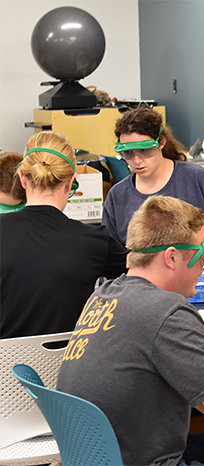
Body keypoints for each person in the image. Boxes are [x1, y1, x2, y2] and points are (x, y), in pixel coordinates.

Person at [58, 195, 204, 465]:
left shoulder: (106, 294)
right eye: (201, 255)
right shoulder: (165, 309)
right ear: (171, 257)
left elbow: (142, 348)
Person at [0, 132, 127, 338]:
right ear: (71, 183)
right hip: (71, 364)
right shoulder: (96, 241)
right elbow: (144, 275)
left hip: (6, 367)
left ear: (22, 178)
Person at [102, 105, 204, 267]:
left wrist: (203, 248)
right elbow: (111, 251)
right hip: (148, 282)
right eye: (128, 153)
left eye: (144, 150)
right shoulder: (118, 195)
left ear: (161, 142)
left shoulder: (199, 179)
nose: (137, 161)